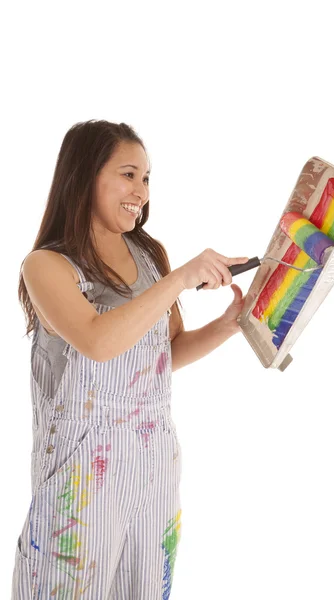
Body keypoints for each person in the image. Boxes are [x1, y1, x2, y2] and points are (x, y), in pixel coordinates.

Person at [11, 119, 249, 599]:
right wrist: (180, 279)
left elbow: (166, 353)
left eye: (146, 178)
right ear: (84, 177)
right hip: (80, 481)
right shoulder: (47, 266)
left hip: (153, 467)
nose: (140, 191)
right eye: (128, 174)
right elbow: (98, 342)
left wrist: (230, 323)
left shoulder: (149, 257)